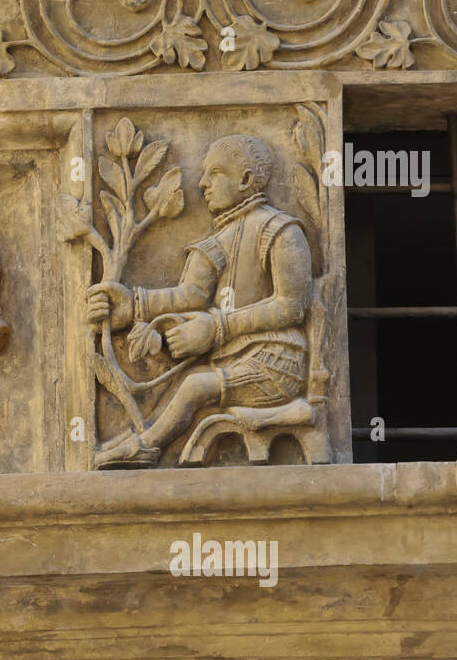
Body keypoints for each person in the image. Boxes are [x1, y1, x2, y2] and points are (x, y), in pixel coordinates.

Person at [86, 135, 313, 467]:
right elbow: (190, 295)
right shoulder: (220, 237)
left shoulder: (280, 231)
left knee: (194, 386)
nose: (202, 183)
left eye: (216, 172)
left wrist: (216, 328)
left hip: (276, 361)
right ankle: (142, 441)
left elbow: (291, 305)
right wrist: (134, 305)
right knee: (184, 383)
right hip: (233, 359)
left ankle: (146, 446)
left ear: (246, 180)